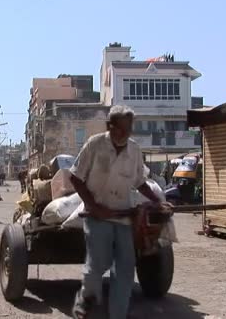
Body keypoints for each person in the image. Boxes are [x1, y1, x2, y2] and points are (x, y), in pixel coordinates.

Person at [69, 105, 171, 319]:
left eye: (129, 129)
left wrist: (158, 201)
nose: (125, 134)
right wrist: (93, 206)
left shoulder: (134, 150)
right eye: (121, 129)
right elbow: (76, 178)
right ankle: (85, 300)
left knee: (125, 269)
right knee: (98, 265)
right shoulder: (95, 145)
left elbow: (141, 182)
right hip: (97, 218)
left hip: (125, 218)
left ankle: (118, 315)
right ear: (110, 126)